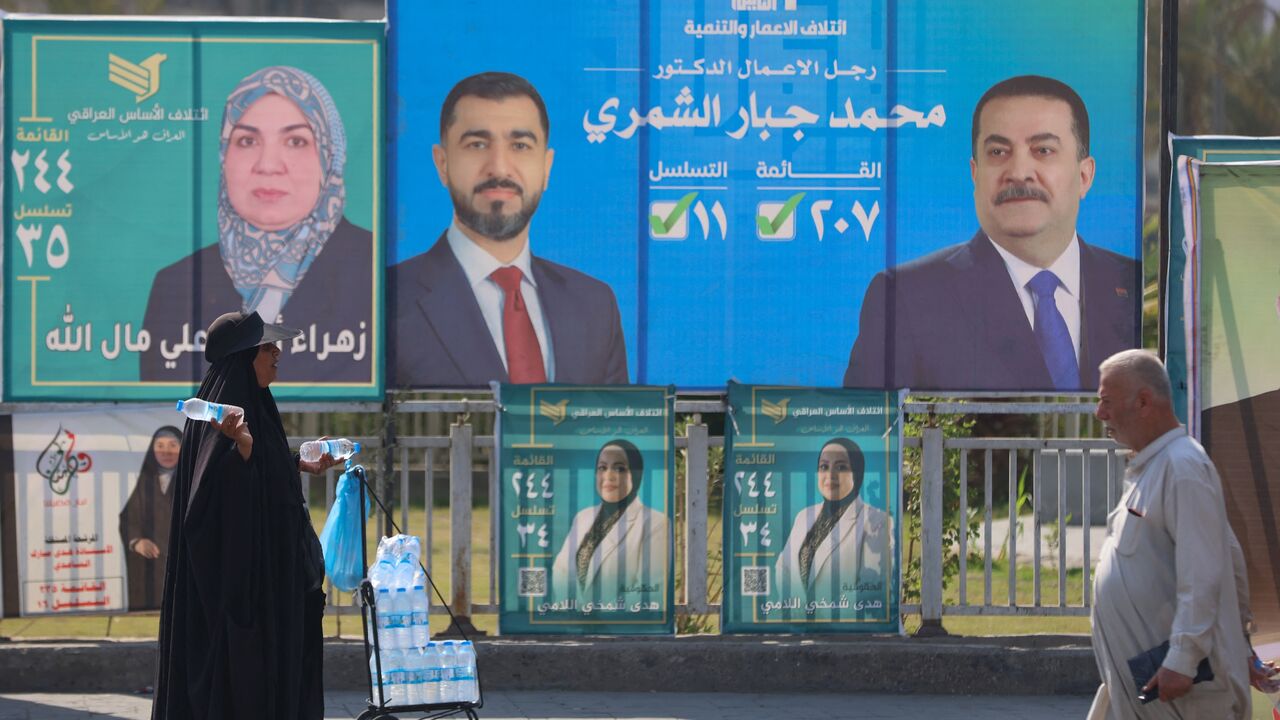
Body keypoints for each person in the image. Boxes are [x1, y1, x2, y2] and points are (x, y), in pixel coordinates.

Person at [844, 75, 1138, 392]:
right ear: (975, 174)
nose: (1018, 172)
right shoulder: (905, 298)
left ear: (1084, 175)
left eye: (1043, 150)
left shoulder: (1133, 285)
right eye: (998, 152)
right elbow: (869, 433)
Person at [152, 311, 342, 720]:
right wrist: (241, 450)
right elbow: (206, 510)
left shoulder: (258, 406)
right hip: (242, 603)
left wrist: (297, 462)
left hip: (274, 585)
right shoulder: (221, 416)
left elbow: (264, 469)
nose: (277, 352)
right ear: (243, 358)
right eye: (266, 347)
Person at [388, 71, 628, 388]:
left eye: (520, 145)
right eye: (477, 144)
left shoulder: (595, 306)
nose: (499, 168)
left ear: (546, 167)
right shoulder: (385, 301)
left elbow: (614, 434)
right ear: (442, 163)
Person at [142, 66, 375, 385]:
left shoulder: (374, 273)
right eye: (247, 140)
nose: (268, 165)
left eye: (295, 141)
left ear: (328, 157)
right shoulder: (176, 285)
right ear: (224, 155)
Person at [1088, 349, 1277, 719]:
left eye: (1106, 401)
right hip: (1159, 690)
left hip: (1180, 694)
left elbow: (1203, 573)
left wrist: (1183, 660)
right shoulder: (1161, 466)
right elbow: (1231, 560)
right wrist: (1241, 648)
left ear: (1143, 402)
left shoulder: (1181, 467)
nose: (1100, 414)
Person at [551, 439, 668, 600]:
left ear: (636, 474)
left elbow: (651, 591)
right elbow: (560, 570)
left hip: (618, 624)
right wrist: (573, 609)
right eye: (602, 468)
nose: (608, 475)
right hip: (572, 620)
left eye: (619, 468)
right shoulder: (583, 517)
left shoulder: (656, 523)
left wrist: (597, 616)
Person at [774, 438, 890, 597]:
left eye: (841, 467)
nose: (830, 474)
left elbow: (873, 589)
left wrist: (820, 614)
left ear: (856, 473)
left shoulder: (878, 521)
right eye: (824, 467)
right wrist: (795, 609)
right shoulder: (804, 516)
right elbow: (783, 568)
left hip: (842, 621)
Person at [119, 425, 182, 611]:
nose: (166, 451)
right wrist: (137, 541)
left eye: (173, 445)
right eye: (160, 446)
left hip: (183, 563)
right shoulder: (145, 482)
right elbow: (128, 518)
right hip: (150, 569)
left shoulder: (192, 479)